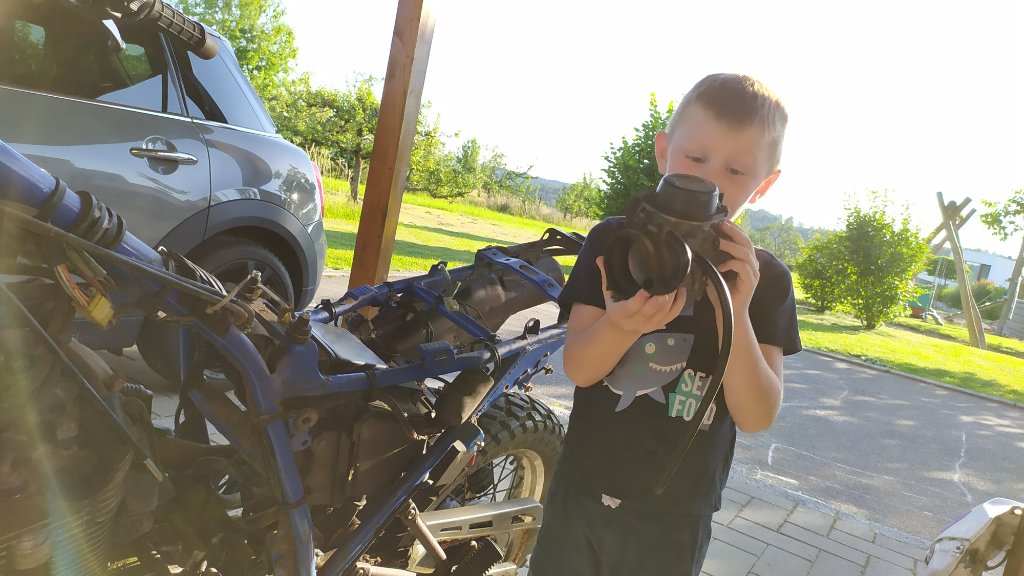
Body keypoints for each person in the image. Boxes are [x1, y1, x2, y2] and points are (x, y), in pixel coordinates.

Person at [527, 73, 803, 576]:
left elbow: (757, 415)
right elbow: (580, 369)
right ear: (663, 152)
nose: (710, 181)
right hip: (581, 489)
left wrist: (736, 312)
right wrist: (620, 327)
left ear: (764, 184)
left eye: (736, 170)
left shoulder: (763, 280)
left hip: (676, 513)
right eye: (695, 158)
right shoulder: (614, 244)